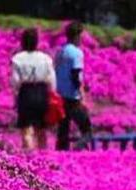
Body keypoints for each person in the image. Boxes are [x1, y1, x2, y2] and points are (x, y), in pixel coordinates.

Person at [11, 28, 56, 150]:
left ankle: (29, 158)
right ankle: (43, 157)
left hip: (26, 92)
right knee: (41, 129)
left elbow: (15, 81)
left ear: (23, 42)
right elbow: (51, 79)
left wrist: (15, 94)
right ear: (37, 42)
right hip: (42, 92)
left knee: (26, 130)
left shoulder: (17, 58)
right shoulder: (45, 58)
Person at [55, 21, 93, 151]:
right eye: (82, 35)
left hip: (60, 96)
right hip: (73, 97)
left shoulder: (61, 52)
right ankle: (77, 149)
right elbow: (76, 75)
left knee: (63, 131)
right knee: (87, 130)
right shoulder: (76, 53)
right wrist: (82, 96)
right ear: (77, 35)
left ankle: (61, 156)